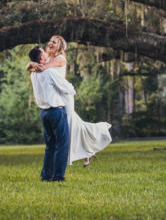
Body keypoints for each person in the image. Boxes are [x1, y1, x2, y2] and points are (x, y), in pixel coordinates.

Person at [28, 36, 112, 167]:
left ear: (59, 47)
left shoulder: (60, 59)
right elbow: (36, 69)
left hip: (65, 96)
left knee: (71, 125)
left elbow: (43, 69)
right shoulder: (47, 58)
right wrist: (31, 64)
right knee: (73, 125)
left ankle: (92, 141)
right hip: (55, 96)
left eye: (54, 42)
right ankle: (87, 151)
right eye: (50, 41)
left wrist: (32, 64)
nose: (50, 43)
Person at [28, 46, 76, 182]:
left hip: (44, 113)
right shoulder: (49, 73)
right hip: (56, 111)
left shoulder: (33, 75)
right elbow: (67, 87)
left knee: (50, 145)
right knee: (62, 143)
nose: (46, 53)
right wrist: (72, 90)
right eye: (43, 52)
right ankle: (58, 176)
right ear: (42, 58)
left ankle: (46, 175)